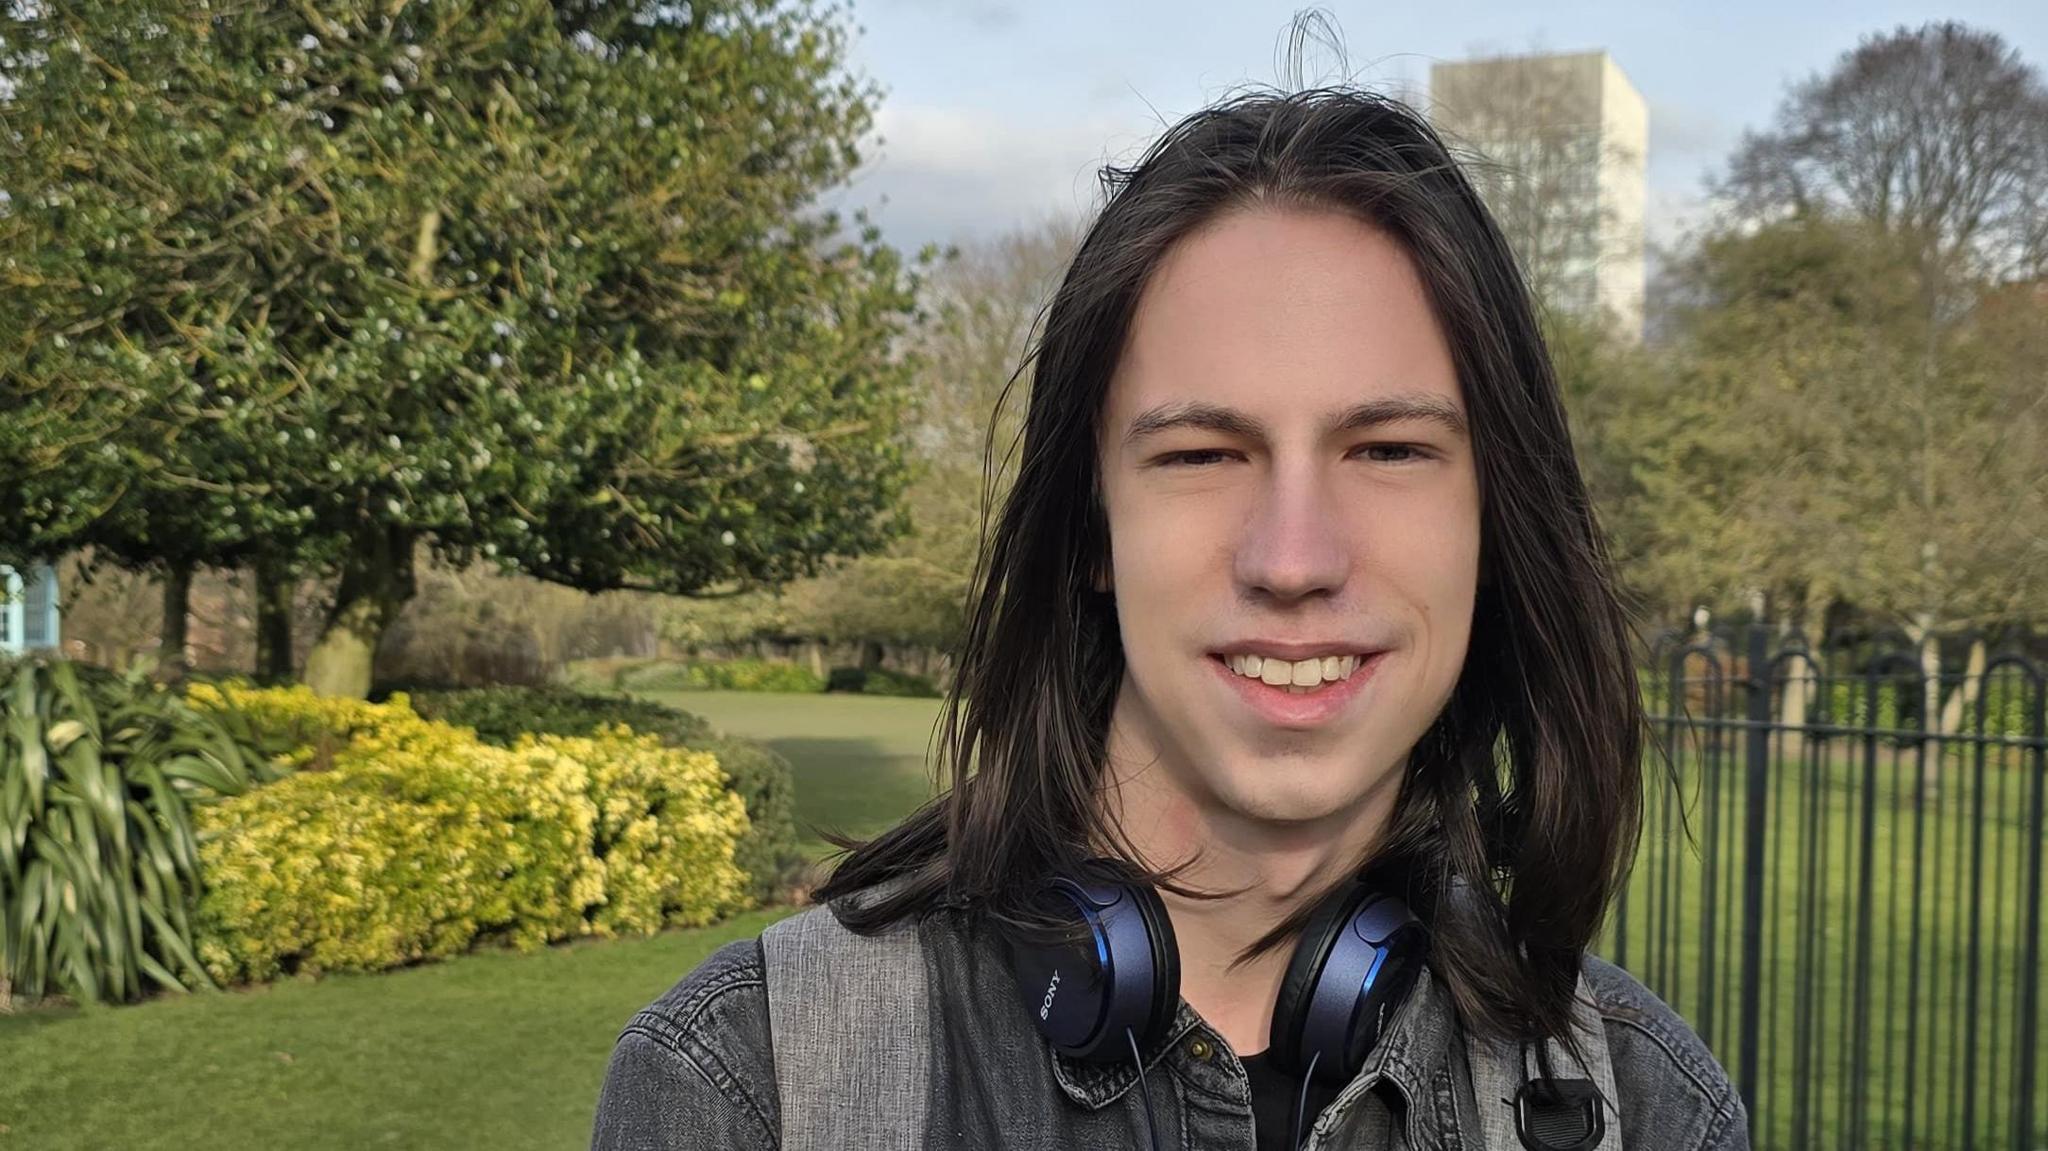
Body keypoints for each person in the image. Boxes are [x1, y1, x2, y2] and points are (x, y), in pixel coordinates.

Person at [590, 84, 1749, 1151]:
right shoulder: (751, 1084)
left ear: (1492, 522)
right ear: (1091, 528)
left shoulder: (1647, 1109)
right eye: (1200, 452)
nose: (1292, 558)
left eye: (1389, 448)